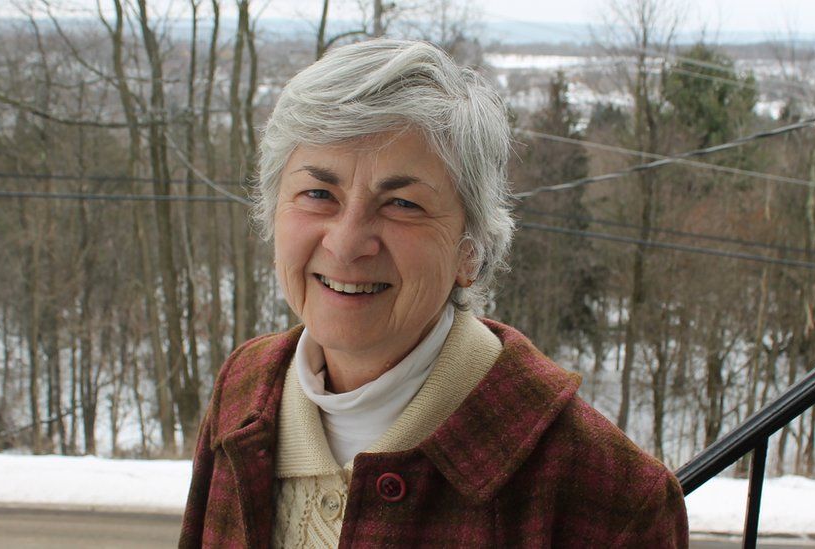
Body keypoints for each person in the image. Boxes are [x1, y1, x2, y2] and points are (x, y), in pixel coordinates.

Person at [180, 39, 688, 548]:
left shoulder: (609, 498)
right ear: (273, 214)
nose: (348, 242)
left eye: (402, 203)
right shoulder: (243, 392)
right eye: (318, 194)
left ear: (471, 250)